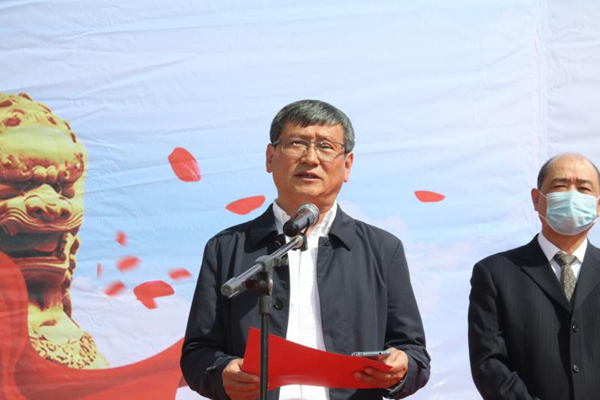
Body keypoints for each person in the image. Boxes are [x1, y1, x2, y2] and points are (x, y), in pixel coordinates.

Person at [181, 99, 430, 400]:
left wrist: (399, 368)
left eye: (326, 146)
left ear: (347, 164)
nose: (310, 158)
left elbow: (414, 355)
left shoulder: (382, 249)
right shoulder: (227, 247)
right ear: (270, 157)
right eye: (296, 143)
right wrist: (223, 373)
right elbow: (197, 354)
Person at [468, 153, 600, 400]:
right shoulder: (495, 273)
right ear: (537, 199)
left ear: (598, 205)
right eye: (560, 186)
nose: (572, 196)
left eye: (583, 188)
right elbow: (489, 363)